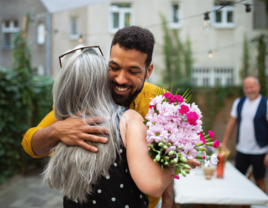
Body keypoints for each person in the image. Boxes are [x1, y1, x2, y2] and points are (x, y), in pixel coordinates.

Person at [22, 26, 200, 208]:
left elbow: (165, 162)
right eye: (113, 68)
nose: (121, 79)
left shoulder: (163, 104)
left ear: (148, 71)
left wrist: (168, 202)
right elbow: (30, 145)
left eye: (133, 71)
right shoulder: (87, 98)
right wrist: (56, 131)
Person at [43, 45, 174, 207]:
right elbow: (153, 187)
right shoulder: (128, 120)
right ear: (103, 80)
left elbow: (37, 147)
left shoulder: (63, 125)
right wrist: (174, 161)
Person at [222, 76, 268, 193]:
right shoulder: (239, 102)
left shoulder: (265, 104)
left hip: (260, 151)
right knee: (239, 180)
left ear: (258, 87)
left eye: (251, 87)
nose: (249, 90)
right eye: (246, 88)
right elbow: (231, 124)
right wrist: (224, 144)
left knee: (260, 180)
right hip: (242, 150)